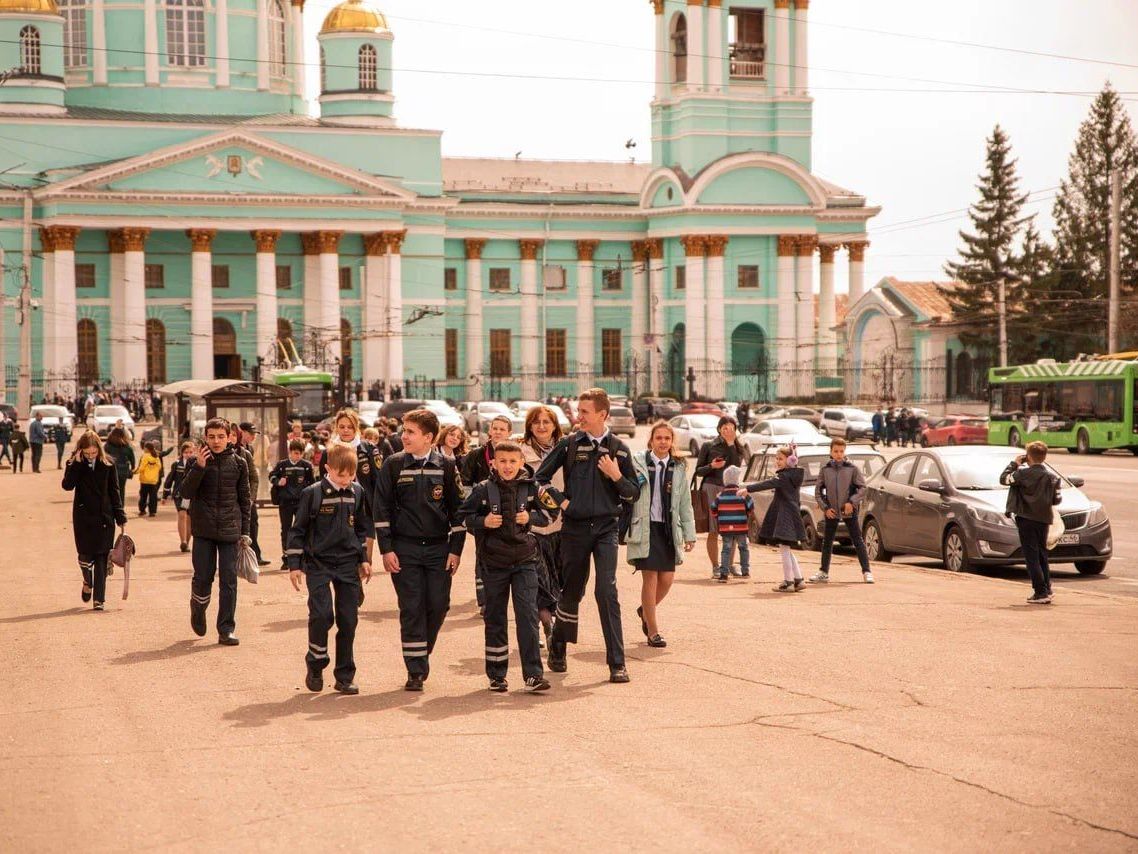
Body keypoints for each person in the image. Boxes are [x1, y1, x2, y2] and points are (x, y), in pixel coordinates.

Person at [535, 388, 640, 683]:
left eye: (584, 412)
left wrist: (616, 475)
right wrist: (561, 501)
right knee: (572, 592)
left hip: (606, 528)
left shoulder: (618, 449)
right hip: (575, 529)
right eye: (578, 411)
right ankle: (558, 643)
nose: (578, 416)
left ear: (602, 414)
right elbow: (539, 479)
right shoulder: (569, 444)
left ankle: (617, 664)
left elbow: (633, 493)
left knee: (606, 591)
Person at [372, 409, 466, 692]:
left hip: (439, 549)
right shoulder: (393, 464)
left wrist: (456, 549)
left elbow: (458, 511)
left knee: (438, 605)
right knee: (412, 607)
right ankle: (415, 670)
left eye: (411, 432)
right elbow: (381, 509)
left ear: (428, 437)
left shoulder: (447, 466)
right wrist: (386, 549)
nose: (404, 436)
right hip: (405, 549)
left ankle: (421, 653)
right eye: (404, 430)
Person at [460, 440, 552, 693]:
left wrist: (530, 518)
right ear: (493, 463)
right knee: (495, 618)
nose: (508, 466)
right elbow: (464, 517)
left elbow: (549, 516)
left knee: (527, 617)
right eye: (502, 461)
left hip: (525, 562)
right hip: (494, 564)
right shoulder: (482, 490)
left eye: (513, 461)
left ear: (522, 463)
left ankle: (533, 675)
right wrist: (483, 521)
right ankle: (497, 675)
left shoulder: (531, 489)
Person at [287, 443, 372, 694]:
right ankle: (316, 663)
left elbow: (360, 528)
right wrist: (294, 565)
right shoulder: (313, 493)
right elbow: (297, 531)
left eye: (351, 475)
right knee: (322, 615)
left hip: (347, 564)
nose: (346, 480)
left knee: (348, 620)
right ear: (327, 469)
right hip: (319, 564)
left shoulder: (357, 491)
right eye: (340, 475)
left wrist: (364, 558)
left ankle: (345, 675)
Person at [180, 419, 251, 646]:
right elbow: (185, 492)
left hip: (230, 531)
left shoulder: (240, 463)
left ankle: (226, 629)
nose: (216, 441)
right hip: (203, 531)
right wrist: (199, 467)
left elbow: (245, 500)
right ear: (205, 438)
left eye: (221, 436)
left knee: (229, 582)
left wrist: (246, 533)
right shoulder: (196, 461)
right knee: (203, 577)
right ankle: (198, 608)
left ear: (230, 437)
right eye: (211, 437)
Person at [626, 420, 696, 648]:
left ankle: (645, 610)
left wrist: (689, 533)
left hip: (668, 529)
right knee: (651, 578)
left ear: (672, 441)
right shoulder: (638, 463)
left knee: (667, 579)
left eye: (667, 438)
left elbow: (685, 502)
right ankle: (653, 631)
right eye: (659, 438)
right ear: (651, 440)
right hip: (646, 527)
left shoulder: (678, 467)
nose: (663, 442)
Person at [62, 431, 127, 611]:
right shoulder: (74, 463)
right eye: (87, 453)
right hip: (83, 517)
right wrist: (75, 464)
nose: (91, 456)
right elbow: (67, 486)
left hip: (104, 517)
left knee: (101, 557)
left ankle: (99, 599)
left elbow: (115, 492)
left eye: (94, 453)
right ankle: (86, 581)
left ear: (99, 449)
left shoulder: (108, 464)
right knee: (84, 555)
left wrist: (120, 516)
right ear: (80, 450)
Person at [519, 405, 565, 645]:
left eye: (547, 422)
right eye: (536, 422)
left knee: (559, 579)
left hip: (561, 526)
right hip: (533, 528)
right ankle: (547, 624)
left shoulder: (566, 449)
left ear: (555, 425)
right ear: (529, 426)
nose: (541, 426)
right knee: (537, 579)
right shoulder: (521, 452)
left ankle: (552, 619)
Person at [461, 414, 513, 613]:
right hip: (483, 516)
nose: (498, 432)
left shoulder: (514, 454)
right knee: (482, 554)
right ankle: (484, 601)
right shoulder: (476, 455)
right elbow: (465, 483)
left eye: (502, 429)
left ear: (509, 433)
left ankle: (501, 596)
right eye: (495, 428)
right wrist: (472, 510)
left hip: (508, 514)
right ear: (489, 431)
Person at [1000, 441, 1062, 605]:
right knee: (1042, 555)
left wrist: (1014, 463)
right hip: (1044, 519)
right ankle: (1047, 589)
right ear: (1044, 457)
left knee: (1031, 557)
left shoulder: (1022, 475)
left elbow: (1004, 479)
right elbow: (1057, 500)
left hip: (1026, 519)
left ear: (1028, 457)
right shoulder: (1052, 477)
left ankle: (1040, 592)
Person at [738, 447, 807, 591]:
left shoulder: (783, 476)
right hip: (791, 513)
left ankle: (788, 582)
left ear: (791, 460)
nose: (777, 461)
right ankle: (798, 579)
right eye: (776, 458)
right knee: (786, 548)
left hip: (784, 514)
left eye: (780, 458)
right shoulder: (794, 475)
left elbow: (767, 484)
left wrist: (747, 489)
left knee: (784, 549)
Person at [810, 437, 874, 584]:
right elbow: (818, 491)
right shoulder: (825, 470)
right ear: (831, 452)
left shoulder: (852, 469)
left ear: (844, 452)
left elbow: (863, 488)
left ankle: (867, 572)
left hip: (849, 510)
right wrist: (825, 508)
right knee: (827, 542)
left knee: (857, 540)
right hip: (831, 510)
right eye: (835, 451)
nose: (838, 454)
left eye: (841, 451)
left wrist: (852, 502)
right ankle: (823, 572)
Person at [695, 416, 751, 577]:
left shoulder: (739, 447)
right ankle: (716, 566)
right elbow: (698, 471)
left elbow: (736, 467)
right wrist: (711, 466)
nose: (728, 430)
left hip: (731, 490)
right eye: (725, 427)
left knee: (732, 529)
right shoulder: (708, 445)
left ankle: (730, 565)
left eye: (731, 427)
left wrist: (731, 444)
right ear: (719, 429)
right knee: (714, 529)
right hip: (711, 487)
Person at [270, 439, 316, 570]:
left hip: (301, 503)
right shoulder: (282, 465)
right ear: (290, 452)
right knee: (286, 529)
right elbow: (272, 476)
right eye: (295, 453)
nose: (298, 456)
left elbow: (312, 483)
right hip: (286, 503)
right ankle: (286, 557)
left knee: (302, 528)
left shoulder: (306, 465)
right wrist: (279, 481)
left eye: (300, 453)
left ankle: (302, 556)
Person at [710, 465, 753, 582]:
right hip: (741, 527)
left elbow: (713, 509)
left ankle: (724, 574)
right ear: (737, 480)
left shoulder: (720, 496)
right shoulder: (742, 495)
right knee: (743, 548)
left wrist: (719, 517)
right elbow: (750, 508)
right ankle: (745, 571)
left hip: (725, 528)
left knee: (726, 549)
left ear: (725, 480)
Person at [236, 422, 270, 568]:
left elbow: (253, 476)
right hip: (236, 494)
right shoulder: (234, 449)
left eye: (254, 434)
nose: (253, 436)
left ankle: (255, 554)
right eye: (250, 433)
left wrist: (252, 497)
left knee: (253, 523)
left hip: (248, 495)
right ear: (241, 432)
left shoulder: (249, 449)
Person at [162, 441, 196, 552]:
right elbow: (169, 479)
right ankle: (183, 542)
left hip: (191, 495)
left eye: (191, 452)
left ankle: (187, 542)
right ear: (182, 453)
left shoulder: (197, 464)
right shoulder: (177, 464)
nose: (188, 454)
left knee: (189, 519)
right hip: (179, 494)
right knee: (182, 515)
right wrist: (165, 495)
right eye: (186, 452)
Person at [104, 427, 135, 505]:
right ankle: (120, 508)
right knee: (121, 490)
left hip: (110, 471)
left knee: (110, 489)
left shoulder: (107, 446)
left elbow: (103, 458)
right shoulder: (127, 447)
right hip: (123, 471)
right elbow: (132, 460)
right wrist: (132, 469)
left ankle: (111, 506)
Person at [133, 441, 162, 517]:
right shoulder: (156, 457)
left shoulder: (145, 456)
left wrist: (134, 472)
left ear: (146, 448)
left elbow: (141, 468)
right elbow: (159, 467)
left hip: (144, 480)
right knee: (153, 497)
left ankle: (142, 510)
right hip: (153, 481)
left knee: (143, 496)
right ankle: (152, 512)